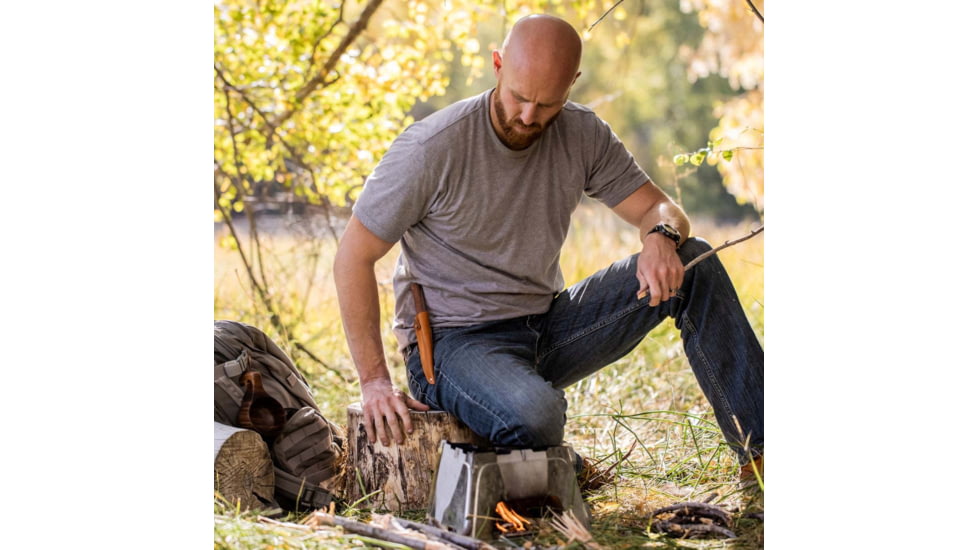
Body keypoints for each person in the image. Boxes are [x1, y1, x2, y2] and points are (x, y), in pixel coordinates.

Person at [333, 14, 763, 472]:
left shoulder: (583, 133)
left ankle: (763, 457)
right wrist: (374, 381)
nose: (528, 116)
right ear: (497, 64)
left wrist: (661, 236)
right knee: (535, 415)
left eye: (547, 104)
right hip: (452, 345)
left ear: (572, 84)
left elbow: (661, 209)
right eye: (519, 97)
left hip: (546, 327)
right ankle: (557, 459)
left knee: (693, 261)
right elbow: (352, 259)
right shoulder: (430, 149)